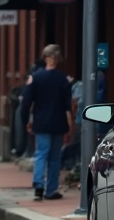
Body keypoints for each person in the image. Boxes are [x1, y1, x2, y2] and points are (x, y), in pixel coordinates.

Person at [19, 44, 74, 201]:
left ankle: (38, 186)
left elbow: (26, 103)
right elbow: (67, 106)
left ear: (45, 58)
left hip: (41, 122)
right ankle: (51, 190)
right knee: (55, 158)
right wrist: (70, 127)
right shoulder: (63, 79)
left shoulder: (36, 78)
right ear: (57, 59)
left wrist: (26, 121)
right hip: (58, 123)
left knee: (41, 154)